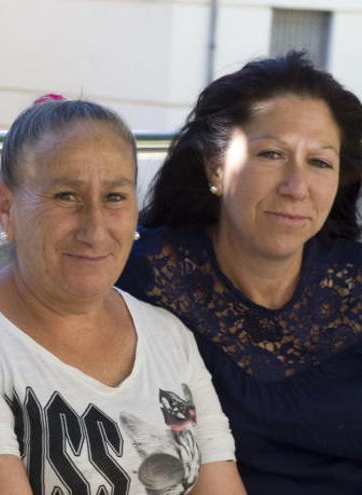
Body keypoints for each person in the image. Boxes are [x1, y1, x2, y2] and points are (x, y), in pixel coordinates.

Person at [0, 96, 246, 494]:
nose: (95, 229)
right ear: (5, 208)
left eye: (115, 197)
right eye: (66, 196)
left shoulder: (168, 336)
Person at [117, 51, 362, 493]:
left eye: (320, 162)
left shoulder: (356, 280)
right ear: (214, 165)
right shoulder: (138, 278)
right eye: (271, 154)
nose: (296, 187)